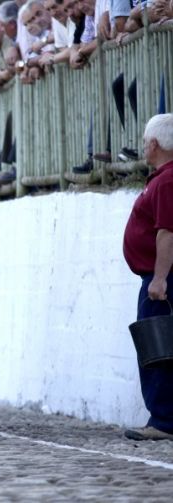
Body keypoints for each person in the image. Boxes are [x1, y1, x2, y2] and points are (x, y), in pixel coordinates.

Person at [122, 113, 173, 441]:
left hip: (160, 280)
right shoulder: (163, 178)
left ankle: (164, 421)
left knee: (156, 349)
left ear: (154, 144)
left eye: (144, 142)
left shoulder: (167, 181)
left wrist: (159, 278)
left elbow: (167, 232)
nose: (143, 147)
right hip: (160, 276)